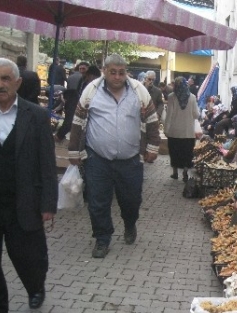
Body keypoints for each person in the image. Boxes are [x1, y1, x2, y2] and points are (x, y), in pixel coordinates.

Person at [67, 54, 160, 259]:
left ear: (126, 72)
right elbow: (77, 121)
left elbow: (152, 120)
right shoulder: (91, 91)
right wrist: (74, 151)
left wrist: (153, 147)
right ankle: (102, 239)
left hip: (131, 160)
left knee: (131, 200)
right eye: (113, 72)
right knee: (98, 201)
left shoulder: (138, 91)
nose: (117, 77)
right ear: (104, 71)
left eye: (121, 72)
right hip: (97, 159)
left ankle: (129, 223)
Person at [0, 58, 58, 311]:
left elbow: (47, 162)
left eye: (5, 79)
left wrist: (48, 204)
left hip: (24, 202)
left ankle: (36, 286)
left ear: (18, 83)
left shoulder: (36, 116)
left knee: (29, 259)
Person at [164, 76, 199, 181]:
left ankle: (175, 173)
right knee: (187, 153)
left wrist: (166, 129)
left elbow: (169, 114)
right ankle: (185, 172)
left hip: (174, 132)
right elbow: (196, 115)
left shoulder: (171, 97)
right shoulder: (192, 97)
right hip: (188, 132)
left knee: (174, 153)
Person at [55, 62, 91, 142]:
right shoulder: (82, 79)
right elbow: (78, 90)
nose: (81, 70)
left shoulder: (89, 80)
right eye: (80, 69)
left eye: (83, 69)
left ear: (88, 69)